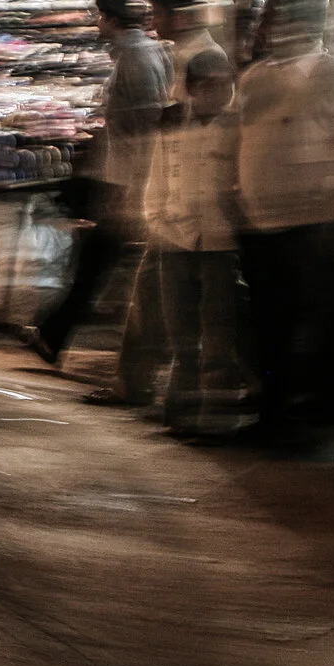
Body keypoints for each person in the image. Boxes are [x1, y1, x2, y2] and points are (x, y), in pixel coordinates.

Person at [233, 0, 334, 443]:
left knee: (323, 323)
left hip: (318, 223)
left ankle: (330, 412)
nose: (263, 28)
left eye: (272, 18)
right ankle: (274, 410)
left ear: (304, 23)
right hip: (261, 223)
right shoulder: (254, 78)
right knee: (270, 324)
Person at [30, 0, 171, 369]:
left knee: (98, 263)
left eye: (99, 17)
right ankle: (54, 334)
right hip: (123, 176)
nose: (96, 24)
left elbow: (144, 127)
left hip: (127, 179)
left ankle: (57, 335)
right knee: (98, 261)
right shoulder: (139, 54)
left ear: (110, 20)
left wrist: (131, 189)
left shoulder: (136, 58)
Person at [141, 48, 245, 440]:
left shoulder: (237, 129)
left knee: (218, 334)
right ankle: (180, 411)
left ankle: (215, 417)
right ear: (192, 88)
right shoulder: (173, 130)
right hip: (175, 243)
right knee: (181, 333)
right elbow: (157, 183)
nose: (219, 93)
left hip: (220, 244)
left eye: (226, 85)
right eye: (210, 85)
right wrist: (160, 223)